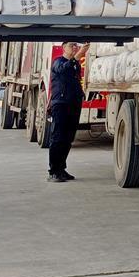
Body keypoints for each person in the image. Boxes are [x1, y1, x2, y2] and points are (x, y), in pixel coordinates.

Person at [47, 42, 88, 182]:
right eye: (71, 45)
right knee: (57, 138)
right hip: (61, 104)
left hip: (73, 104)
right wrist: (77, 57)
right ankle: (53, 171)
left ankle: (61, 168)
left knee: (68, 138)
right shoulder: (58, 62)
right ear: (64, 48)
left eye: (76, 45)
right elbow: (63, 70)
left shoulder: (75, 65)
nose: (75, 48)